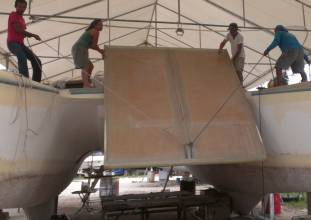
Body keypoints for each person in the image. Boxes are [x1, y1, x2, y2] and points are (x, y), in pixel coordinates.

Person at [7, 0, 42, 82]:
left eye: (23, 7)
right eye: (19, 6)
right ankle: (25, 81)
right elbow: (17, 29)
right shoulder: (13, 15)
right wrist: (33, 35)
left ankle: (36, 83)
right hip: (12, 43)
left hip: (20, 44)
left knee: (37, 61)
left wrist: (27, 34)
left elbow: (21, 32)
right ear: (15, 7)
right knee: (22, 58)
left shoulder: (22, 19)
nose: (22, 9)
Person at [72, 19, 105, 88]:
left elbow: (91, 45)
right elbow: (93, 45)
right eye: (99, 25)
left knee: (90, 66)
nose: (101, 26)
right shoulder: (95, 31)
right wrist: (101, 51)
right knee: (85, 66)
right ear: (94, 25)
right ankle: (86, 84)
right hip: (80, 48)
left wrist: (100, 51)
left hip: (80, 48)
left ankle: (88, 82)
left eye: (102, 25)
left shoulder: (91, 31)